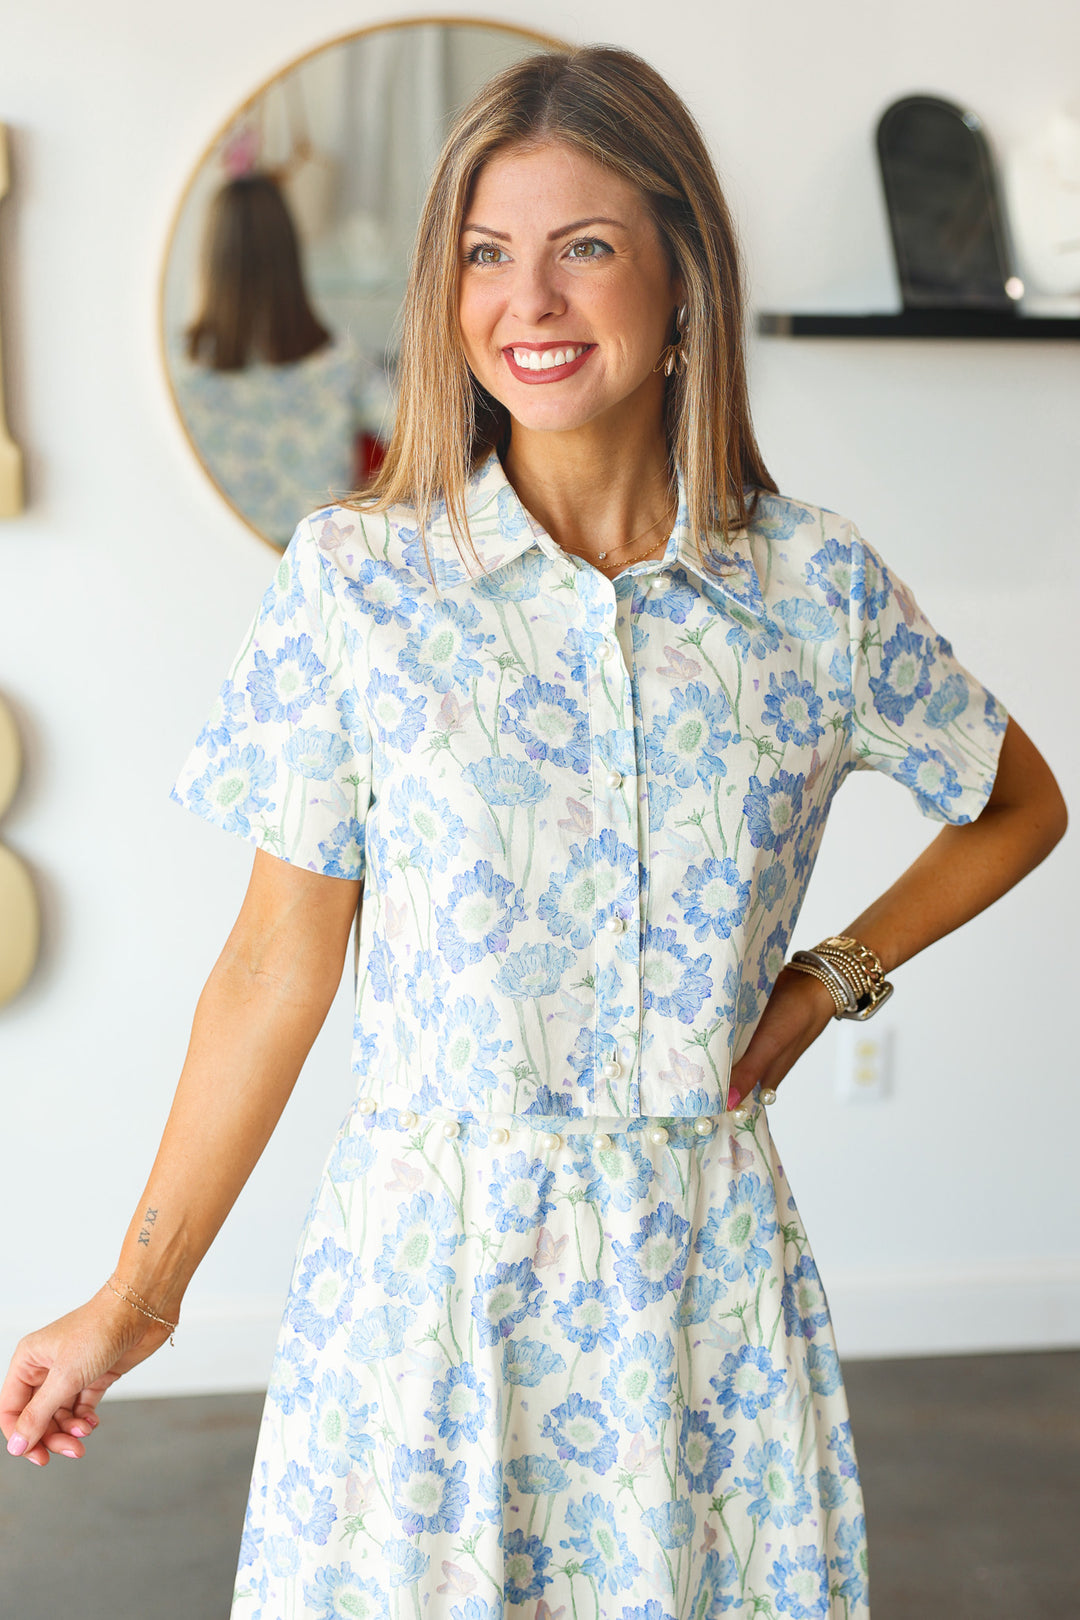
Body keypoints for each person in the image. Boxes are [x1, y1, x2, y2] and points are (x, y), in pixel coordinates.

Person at [2, 44, 1067, 1620]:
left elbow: (1021, 802)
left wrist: (831, 977)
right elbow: (270, 967)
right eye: (488, 257)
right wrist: (136, 1299)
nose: (532, 302)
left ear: (682, 275)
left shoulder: (812, 591)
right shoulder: (359, 584)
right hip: (424, 1299)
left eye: (585, 248)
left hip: (700, 1297)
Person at [173, 172, 391, 546]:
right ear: (290, 255)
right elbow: (420, 433)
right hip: (316, 572)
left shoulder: (174, 367)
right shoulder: (339, 360)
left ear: (209, 259)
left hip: (205, 560)